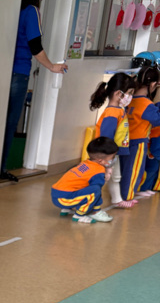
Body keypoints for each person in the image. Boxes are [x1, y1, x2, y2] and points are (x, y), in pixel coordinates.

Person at [0, 0, 66, 183]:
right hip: (18, 72)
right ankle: (0, 168)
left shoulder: (12, 6)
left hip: (1, 70)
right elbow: (35, 46)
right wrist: (52, 66)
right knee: (10, 122)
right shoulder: (32, 11)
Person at [89, 71, 135, 209]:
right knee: (100, 178)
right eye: (130, 93)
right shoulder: (112, 113)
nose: (131, 97)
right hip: (106, 154)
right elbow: (107, 136)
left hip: (113, 154)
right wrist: (107, 158)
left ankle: (117, 199)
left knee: (115, 177)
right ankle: (86, 202)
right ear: (118, 93)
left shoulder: (118, 111)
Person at [50, 136, 118, 223]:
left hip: (57, 195)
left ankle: (66, 209)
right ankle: (79, 216)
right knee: (95, 190)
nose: (114, 159)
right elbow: (96, 192)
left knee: (83, 186)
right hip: (64, 199)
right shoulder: (98, 171)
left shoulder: (85, 163)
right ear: (101, 161)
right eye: (112, 157)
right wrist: (96, 209)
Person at [124, 64, 160, 201]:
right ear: (153, 84)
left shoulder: (130, 100)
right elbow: (157, 121)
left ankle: (131, 192)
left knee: (126, 169)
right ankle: (129, 195)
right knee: (135, 170)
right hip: (139, 142)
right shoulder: (147, 104)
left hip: (126, 140)